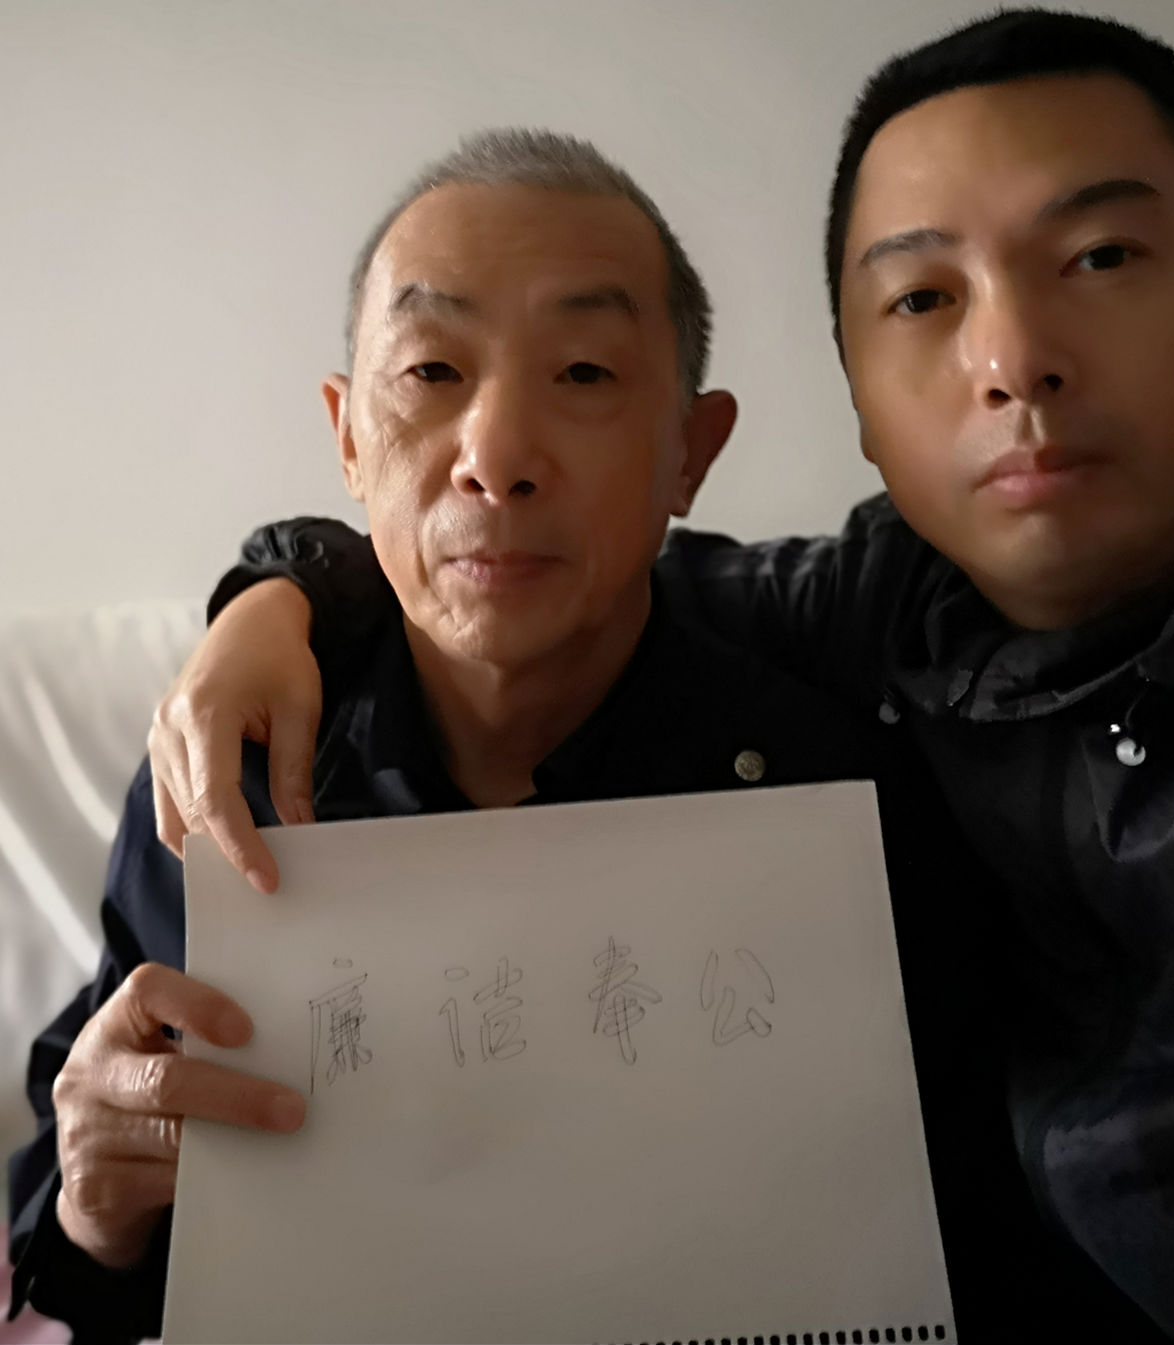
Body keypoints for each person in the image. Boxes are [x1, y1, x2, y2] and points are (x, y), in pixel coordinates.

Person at [132, 9, 1174, 1343]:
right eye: (924, 299)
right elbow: (526, 581)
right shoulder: (890, 609)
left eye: (1100, 256)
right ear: (860, 393)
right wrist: (273, 594)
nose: (1013, 361)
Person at [8, 128, 1044, 1343]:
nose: (495, 458)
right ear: (348, 438)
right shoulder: (227, 764)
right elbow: (92, 1205)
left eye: (586, 373)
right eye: (432, 371)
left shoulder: (830, 781)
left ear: (691, 452)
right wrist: (94, 1215)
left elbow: (959, 1234)